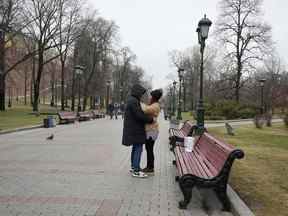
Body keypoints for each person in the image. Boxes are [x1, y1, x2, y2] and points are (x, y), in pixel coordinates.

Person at [122, 84, 153, 178]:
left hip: (133, 129)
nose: (142, 95)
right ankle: (136, 170)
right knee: (138, 148)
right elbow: (139, 115)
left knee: (135, 147)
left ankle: (133, 166)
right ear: (138, 92)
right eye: (141, 93)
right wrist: (150, 120)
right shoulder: (134, 101)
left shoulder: (132, 100)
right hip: (136, 130)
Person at [141, 89, 163, 176]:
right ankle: (149, 166)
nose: (150, 98)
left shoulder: (155, 105)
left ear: (154, 97)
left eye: (151, 96)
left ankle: (150, 167)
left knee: (149, 149)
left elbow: (145, 109)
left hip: (152, 130)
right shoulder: (154, 104)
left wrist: (139, 103)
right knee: (149, 149)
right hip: (151, 130)